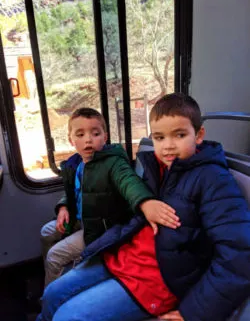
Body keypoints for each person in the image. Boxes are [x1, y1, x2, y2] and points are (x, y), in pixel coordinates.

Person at [37, 93, 250, 321]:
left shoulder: (213, 180)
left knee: (68, 316)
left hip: (160, 278)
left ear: (198, 135)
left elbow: (239, 254)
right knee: (52, 293)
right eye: (159, 137)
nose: (167, 146)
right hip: (126, 256)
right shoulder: (158, 168)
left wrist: (194, 312)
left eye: (179, 135)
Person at [41, 107, 180, 286]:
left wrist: (146, 202)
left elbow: (129, 182)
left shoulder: (113, 163)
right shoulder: (75, 163)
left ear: (105, 137)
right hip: (80, 216)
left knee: (54, 256)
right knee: (45, 232)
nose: (88, 140)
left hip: (100, 229)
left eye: (95, 133)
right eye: (80, 134)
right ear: (71, 140)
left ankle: (51, 296)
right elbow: (73, 191)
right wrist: (63, 206)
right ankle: (50, 274)